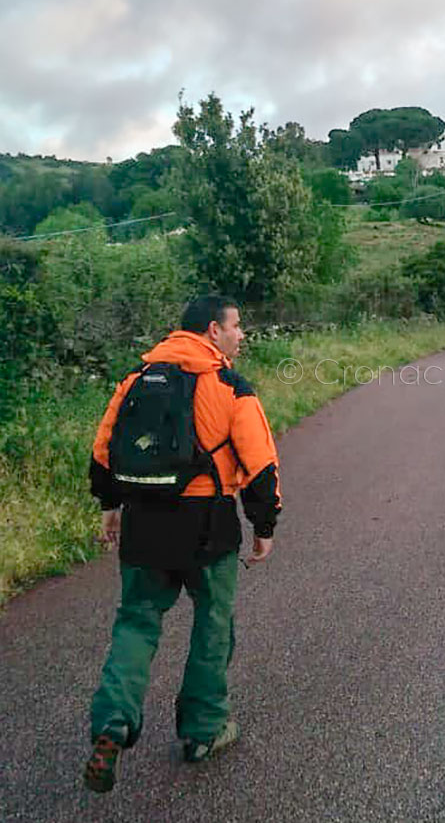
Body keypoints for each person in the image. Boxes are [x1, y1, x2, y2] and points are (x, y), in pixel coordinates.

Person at [83, 295, 282, 793]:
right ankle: (203, 729)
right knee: (212, 624)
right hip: (206, 523)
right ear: (213, 330)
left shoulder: (136, 377)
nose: (242, 336)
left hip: (144, 521)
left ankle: (113, 722)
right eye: (237, 327)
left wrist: (110, 506)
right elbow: (260, 465)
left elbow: (104, 447)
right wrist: (264, 525)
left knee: (136, 621)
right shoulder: (229, 385)